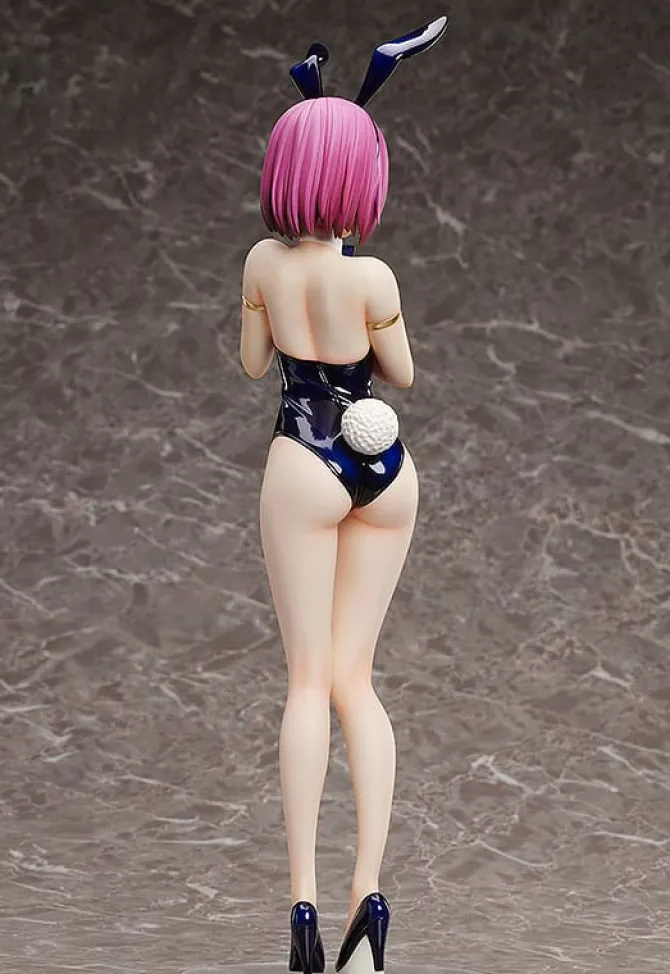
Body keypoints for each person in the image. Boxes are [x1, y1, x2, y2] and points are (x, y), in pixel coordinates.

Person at [239, 19, 448, 974]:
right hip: (385, 467)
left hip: (304, 455)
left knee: (305, 684)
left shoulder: (262, 264)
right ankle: (371, 897)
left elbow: (256, 366)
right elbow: (401, 372)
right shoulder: (375, 275)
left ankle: (304, 912)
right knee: (357, 682)